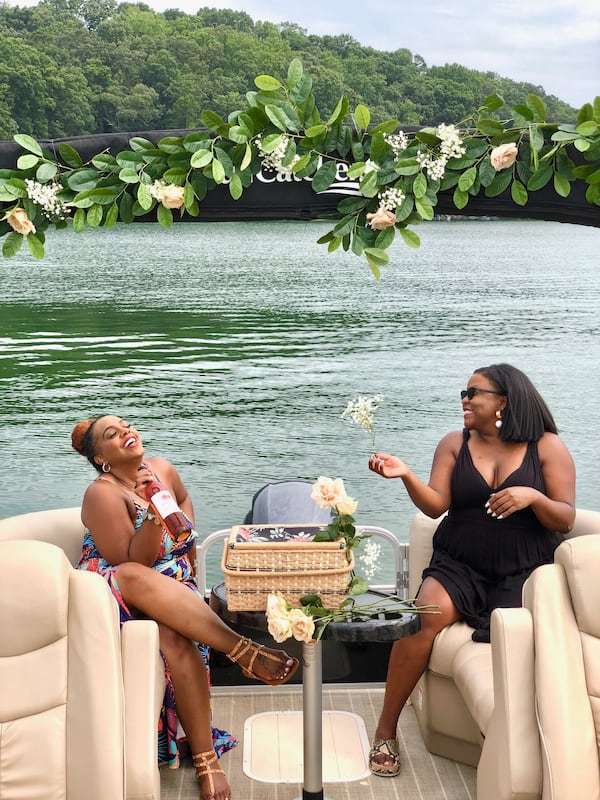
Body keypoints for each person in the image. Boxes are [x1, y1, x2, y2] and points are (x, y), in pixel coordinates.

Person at [71, 415, 299, 800]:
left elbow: (185, 508)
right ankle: (243, 650)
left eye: (127, 425)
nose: (127, 432)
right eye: (112, 434)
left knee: (177, 636)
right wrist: (151, 515)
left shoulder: (161, 470)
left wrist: (188, 555)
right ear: (101, 459)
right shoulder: (102, 494)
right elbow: (133, 562)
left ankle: (206, 759)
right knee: (133, 575)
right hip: (115, 588)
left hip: (171, 587)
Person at [366, 363, 575, 777]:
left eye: (472, 392)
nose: (463, 398)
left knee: (516, 635)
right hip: (459, 563)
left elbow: (565, 518)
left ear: (503, 401)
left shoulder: (547, 447)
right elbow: (435, 505)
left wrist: (532, 496)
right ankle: (385, 732)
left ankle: (518, 741)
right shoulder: (453, 444)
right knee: (420, 619)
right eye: (464, 392)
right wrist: (405, 474)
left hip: (524, 569)